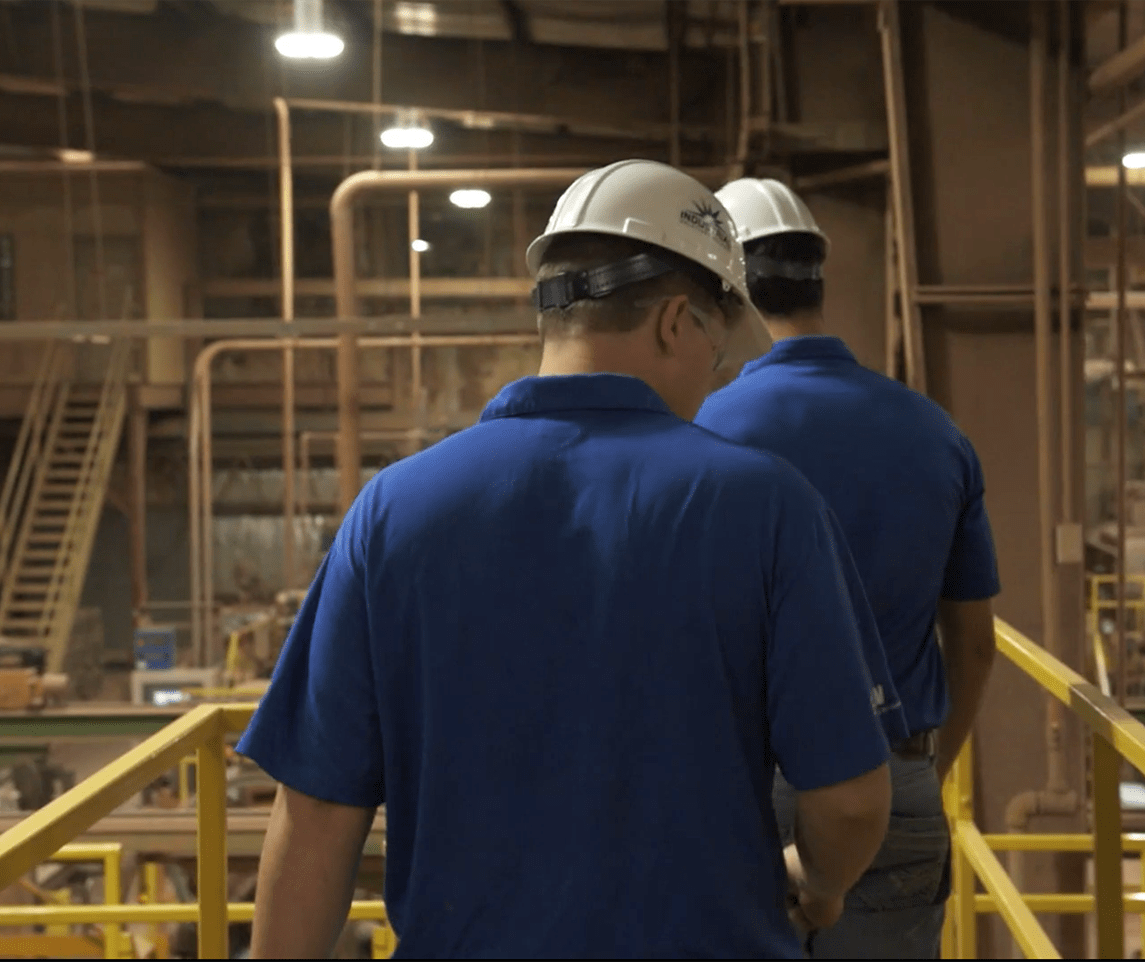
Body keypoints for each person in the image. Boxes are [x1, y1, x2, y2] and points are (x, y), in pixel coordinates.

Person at [239, 159, 910, 958]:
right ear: (673, 322)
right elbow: (850, 805)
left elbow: (315, 820)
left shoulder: (394, 509)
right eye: (717, 349)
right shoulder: (768, 506)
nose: (716, 376)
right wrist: (822, 885)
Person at [696, 178, 1001, 959]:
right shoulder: (935, 433)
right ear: (819, 281)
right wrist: (926, 771)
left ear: (728, 286)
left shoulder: (704, 431)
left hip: (742, 782)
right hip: (895, 773)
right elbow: (972, 642)